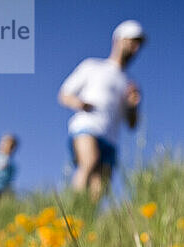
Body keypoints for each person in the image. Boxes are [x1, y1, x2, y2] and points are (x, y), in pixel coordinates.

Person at [58, 20, 145, 202]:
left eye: (139, 45)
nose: (136, 49)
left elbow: (132, 124)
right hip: (87, 126)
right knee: (89, 161)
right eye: (133, 41)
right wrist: (81, 104)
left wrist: (133, 106)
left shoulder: (129, 84)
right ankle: (72, 210)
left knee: (100, 186)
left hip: (111, 138)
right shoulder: (93, 66)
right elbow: (64, 94)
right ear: (119, 39)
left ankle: (86, 220)